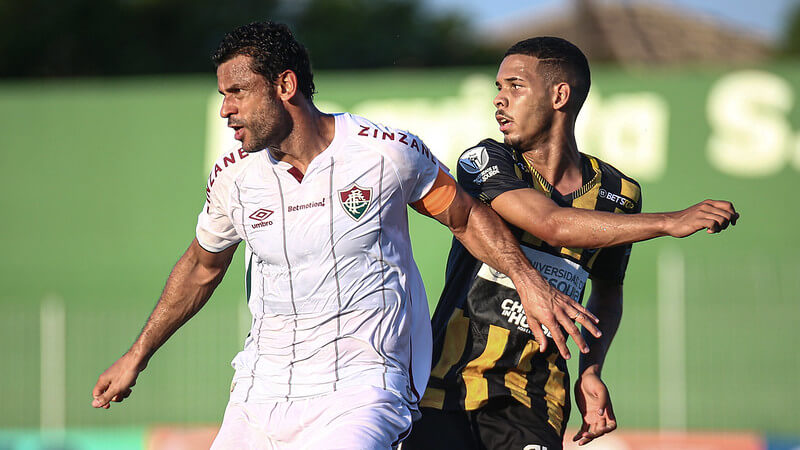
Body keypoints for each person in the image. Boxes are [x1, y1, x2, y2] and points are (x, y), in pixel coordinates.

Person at [90, 23, 613, 450]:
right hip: (258, 394)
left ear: (285, 86)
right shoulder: (234, 176)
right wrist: (137, 355)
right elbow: (202, 266)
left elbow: (466, 217)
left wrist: (526, 280)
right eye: (223, 95)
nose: (226, 108)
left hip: (361, 392)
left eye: (237, 93)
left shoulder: (384, 153)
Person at [403, 37, 738, 450]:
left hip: (536, 402)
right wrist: (669, 222)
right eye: (498, 88)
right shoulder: (485, 160)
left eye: (514, 86)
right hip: (447, 386)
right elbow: (551, 225)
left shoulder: (620, 194)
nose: (499, 100)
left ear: (560, 95)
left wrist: (591, 369)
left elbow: (608, 289)